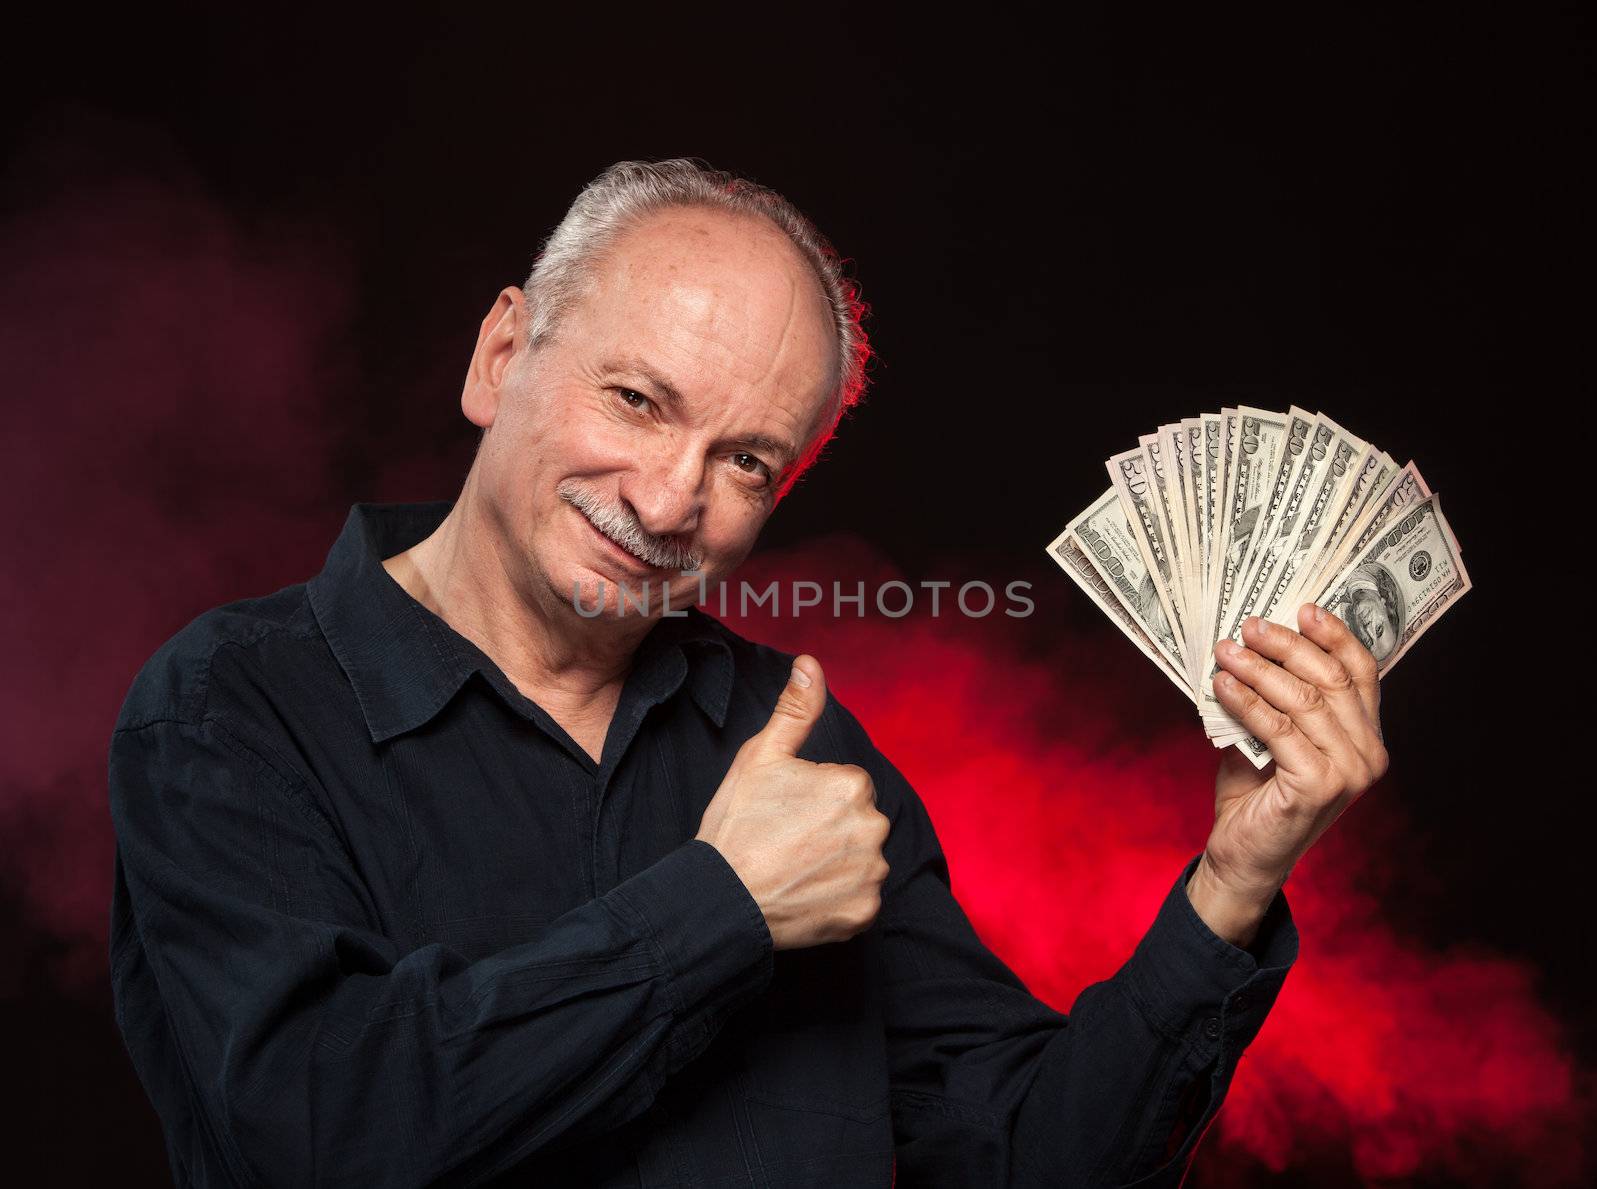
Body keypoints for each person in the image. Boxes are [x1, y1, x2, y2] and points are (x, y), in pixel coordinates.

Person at [107, 158, 1389, 1187]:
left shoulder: (800, 746)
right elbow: (316, 1134)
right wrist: (722, 908)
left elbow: (1020, 1153)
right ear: (502, 356)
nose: (669, 499)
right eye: (638, 400)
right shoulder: (230, 704)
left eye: (748, 463)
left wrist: (1234, 879)